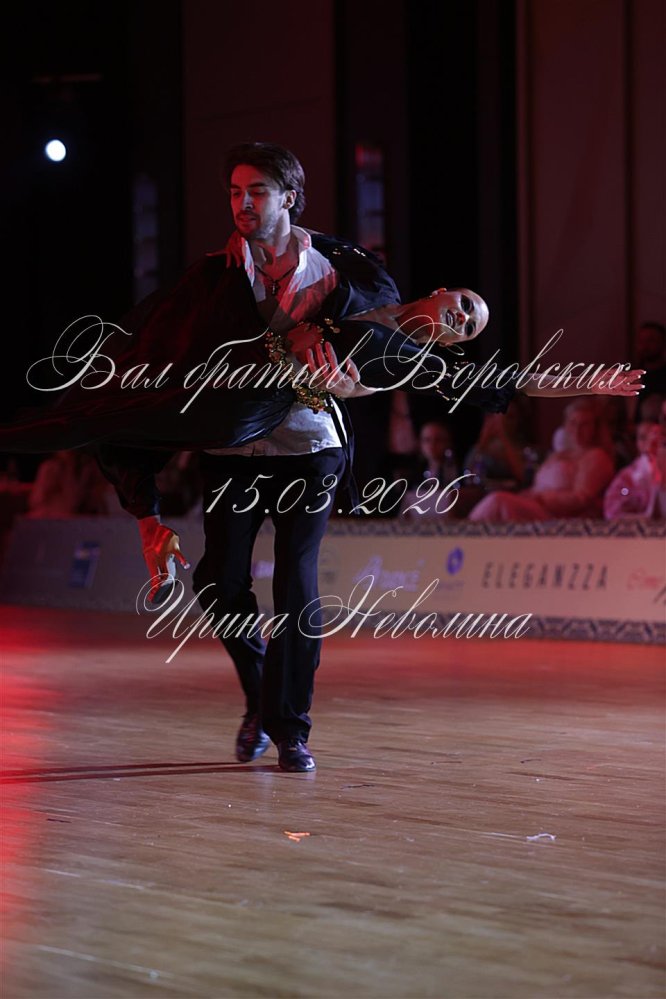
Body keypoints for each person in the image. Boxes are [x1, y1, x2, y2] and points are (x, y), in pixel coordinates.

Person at [468, 399, 615, 522]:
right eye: (572, 422)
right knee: (498, 501)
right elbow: (537, 486)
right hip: (537, 507)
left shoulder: (596, 457)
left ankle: (464, 538)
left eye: (584, 424)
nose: (577, 429)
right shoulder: (558, 454)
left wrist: (542, 498)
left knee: (498, 501)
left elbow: (581, 498)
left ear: (595, 428)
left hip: (559, 517)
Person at [603, 421, 662, 520]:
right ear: (637, 442)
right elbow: (611, 512)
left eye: (657, 437)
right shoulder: (628, 476)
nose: (650, 442)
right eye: (643, 437)